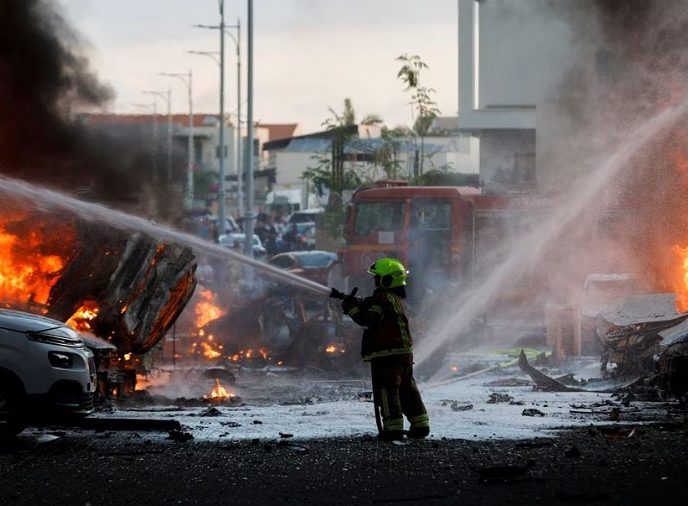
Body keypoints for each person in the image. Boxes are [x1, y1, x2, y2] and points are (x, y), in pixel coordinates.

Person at [339, 257, 430, 441]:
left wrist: (351, 310)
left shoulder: (382, 299)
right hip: (403, 354)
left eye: (377, 278)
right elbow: (374, 306)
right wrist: (359, 302)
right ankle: (420, 425)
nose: (374, 281)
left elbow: (369, 319)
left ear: (386, 280)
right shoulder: (394, 298)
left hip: (387, 356)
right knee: (407, 391)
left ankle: (392, 429)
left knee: (387, 392)